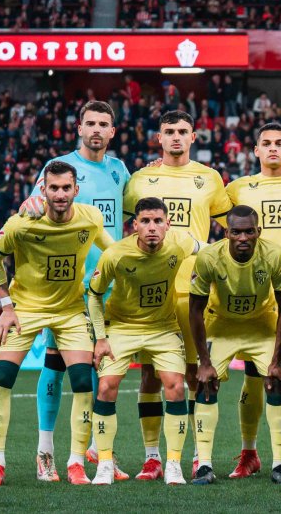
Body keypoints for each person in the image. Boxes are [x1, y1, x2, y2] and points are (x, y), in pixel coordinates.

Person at [0, 160, 113, 487]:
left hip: (70, 309)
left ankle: (76, 463)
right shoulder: (22, 223)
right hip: (25, 307)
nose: (60, 194)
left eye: (66, 187)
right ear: (43, 189)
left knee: (83, 383)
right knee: (3, 378)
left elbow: (113, 254)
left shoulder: (90, 219)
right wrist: (6, 306)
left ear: (76, 190)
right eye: (53, 188)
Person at [18, 101, 132, 479]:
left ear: (112, 132)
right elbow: (35, 202)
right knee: (55, 363)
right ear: (78, 128)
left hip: (108, 285)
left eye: (104, 124)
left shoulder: (119, 170)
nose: (96, 129)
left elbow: (129, 216)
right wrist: (31, 203)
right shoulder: (61, 168)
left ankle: (101, 451)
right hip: (66, 287)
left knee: (103, 365)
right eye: (90, 123)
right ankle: (45, 451)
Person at [122, 110, 231, 480]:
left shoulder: (209, 179)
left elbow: (231, 229)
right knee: (151, 375)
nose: (176, 138)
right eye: (169, 132)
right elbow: (124, 229)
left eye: (183, 131)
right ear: (159, 137)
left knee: (196, 372)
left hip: (195, 291)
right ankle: (153, 456)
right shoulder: (140, 180)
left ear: (194, 136)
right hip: (150, 293)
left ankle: (201, 456)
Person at [222, 122, 281, 478]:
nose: (274, 148)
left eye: (280, 143)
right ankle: (250, 453)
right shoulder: (237, 188)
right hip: (254, 295)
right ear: (256, 151)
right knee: (253, 376)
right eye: (267, 143)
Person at [87, 197, 203, 486]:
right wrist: (100, 338)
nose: (152, 227)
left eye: (158, 221)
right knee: (105, 386)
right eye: (146, 222)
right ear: (135, 225)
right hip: (123, 326)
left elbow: (208, 250)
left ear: (168, 224)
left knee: (176, 385)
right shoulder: (115, 255)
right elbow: (94, 294)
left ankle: (173, 462)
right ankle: (104, 462)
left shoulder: (180, 244)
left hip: (163, 327)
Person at [189, 206, 281, 486]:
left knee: (275, 379)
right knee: (207, 383)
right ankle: (204, 464)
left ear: (258, 232)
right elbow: (195, 311)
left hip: (261, 323)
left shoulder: (274, 255)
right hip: (221, 323)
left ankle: (280, 464)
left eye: (249, 231)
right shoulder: (209, 257)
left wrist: (276, 359)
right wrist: (203, 362)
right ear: (226, 233)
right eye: (236, 231)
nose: (243, 237)